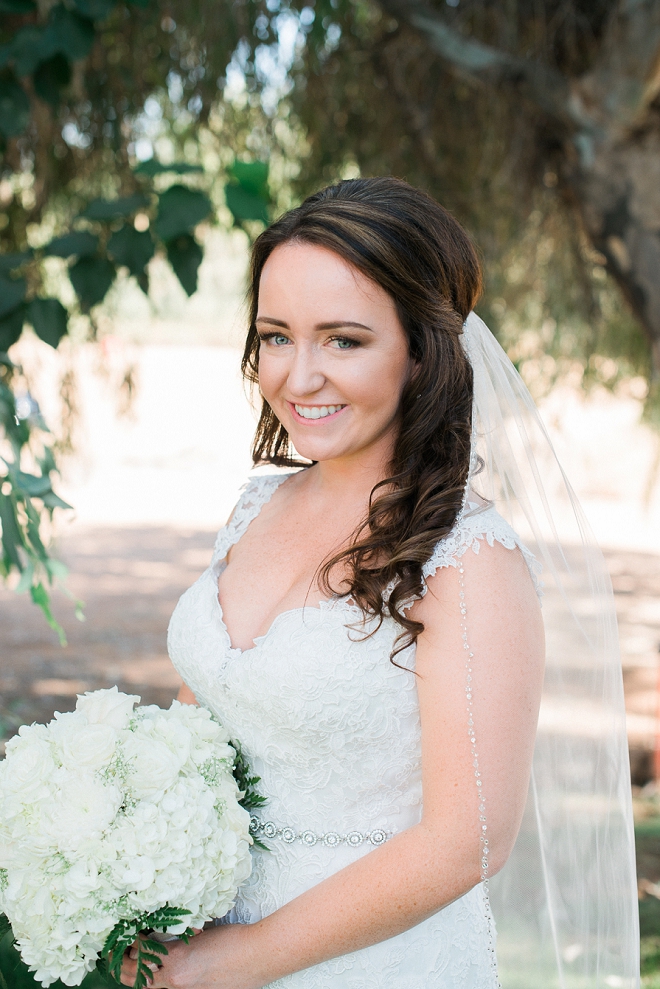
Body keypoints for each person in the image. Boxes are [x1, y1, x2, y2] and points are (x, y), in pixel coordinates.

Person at [121, 177, 638, 989]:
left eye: (344, 340)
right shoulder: (259, 501)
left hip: (370, 963)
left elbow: (468, 838)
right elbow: (203, 727)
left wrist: (239, 961)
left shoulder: (469, 562)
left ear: (423, 351)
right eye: (276, 335)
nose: (298, 376)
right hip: (204, 951)